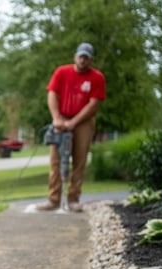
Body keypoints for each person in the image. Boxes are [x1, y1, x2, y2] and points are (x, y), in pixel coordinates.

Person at [36, 42, 106, 212]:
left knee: (79, 160)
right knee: (56, 160)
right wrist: (56, 118)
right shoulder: (62, 72)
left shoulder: (97, 77)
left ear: (91, 60)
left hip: (83, 122)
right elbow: (52, 94)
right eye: (81, 56)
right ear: (75, 56)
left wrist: (73, 122)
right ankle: (53, 199)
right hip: (61, 119)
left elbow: (93, 105)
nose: (83, 60)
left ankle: (73, 199)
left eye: (86, 58)